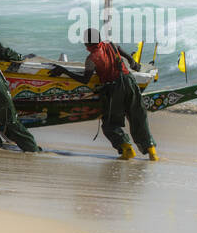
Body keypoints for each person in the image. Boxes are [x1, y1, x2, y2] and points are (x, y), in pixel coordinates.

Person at [54, 28, 158, 161]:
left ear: (86, 44)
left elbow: (85, 79)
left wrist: (64, 71)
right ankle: (152, 151)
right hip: (129, 81)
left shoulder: (91, 58)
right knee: (137, 116)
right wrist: (133, 64)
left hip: (114, 88)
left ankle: (127, 150)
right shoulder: (111, 45)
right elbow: (127, 56)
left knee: (110, 123)